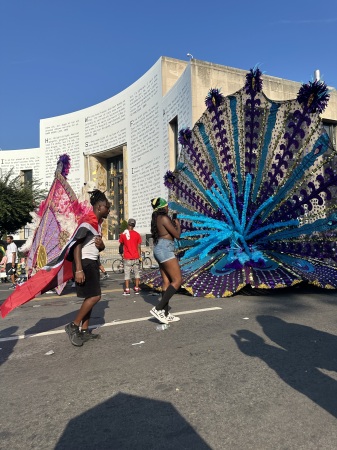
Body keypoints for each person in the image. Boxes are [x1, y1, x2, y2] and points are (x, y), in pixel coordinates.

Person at [65, 190, 110, 346]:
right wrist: (78, 269)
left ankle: (84, 331)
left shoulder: (97, 224)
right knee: (95, 296)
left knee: (90, 296)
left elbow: (96, 247)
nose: (109, 210)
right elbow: (76, 244)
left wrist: (102, 245)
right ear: (99, 207)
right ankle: (73, 325)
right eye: (107, 207)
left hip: (91, 262)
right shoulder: (88, 221)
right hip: (84, 263)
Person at [149, 197, 182, 324]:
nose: (168, 208)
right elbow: (177, 236)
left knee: (167, 281)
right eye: (167, 206)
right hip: (165, 249)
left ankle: (165, 314)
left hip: (159, 248)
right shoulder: (164, 218)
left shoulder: (156, 219)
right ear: (163, 207)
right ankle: (158, 309)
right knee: (177, 280)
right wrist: (178, 225)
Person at [119, 218, 142, 295]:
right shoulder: (137, 234)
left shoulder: (123, 234)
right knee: (137, 273)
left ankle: (127, 289)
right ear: (134, 225)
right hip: (136, 256)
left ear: (128, 224)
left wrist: (121, 254)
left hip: (127, 257)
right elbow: (139, 247)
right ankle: (136, 288)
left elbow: (121, 245)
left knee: (127, 273)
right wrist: (140, 256)